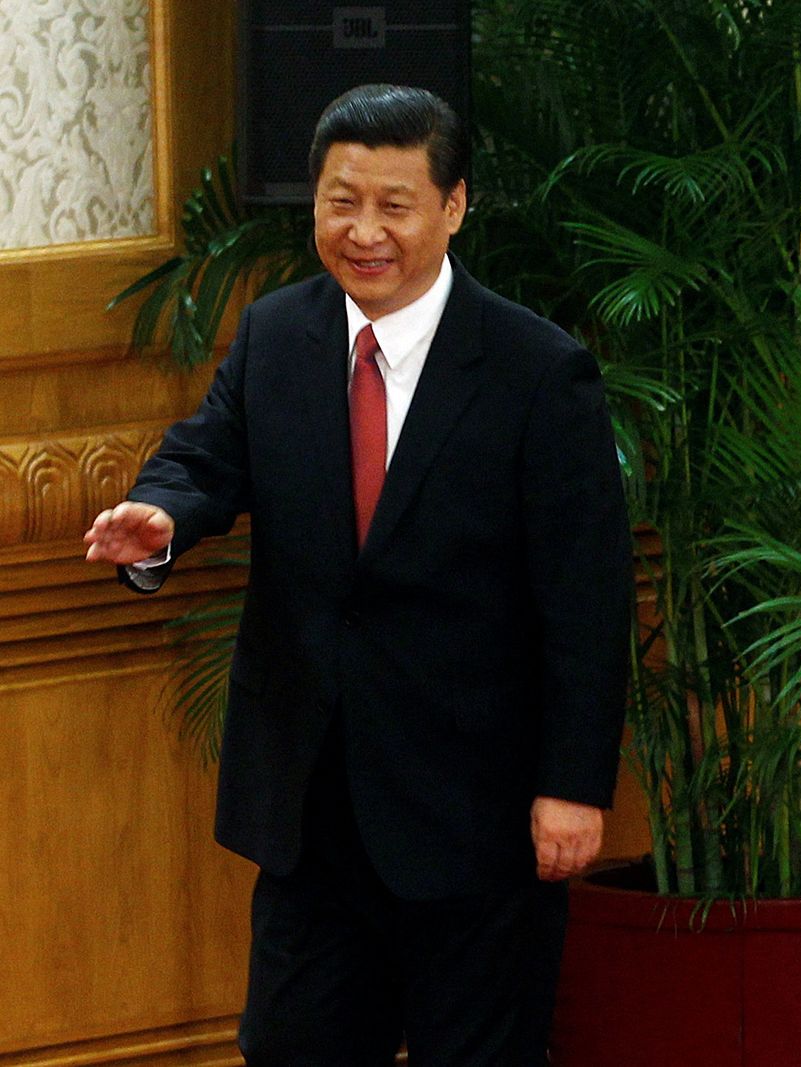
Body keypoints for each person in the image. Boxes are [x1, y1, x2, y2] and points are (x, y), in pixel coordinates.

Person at [82, 84, 633, 1064]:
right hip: (313, 808)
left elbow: (586, 600)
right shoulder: (275, 335)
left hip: (479, 817)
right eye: (341, 201)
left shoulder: (538, 372)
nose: (363, 231)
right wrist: (160, 518)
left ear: (454, 206)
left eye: (393, 204)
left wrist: (573, 785)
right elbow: (206, 457)